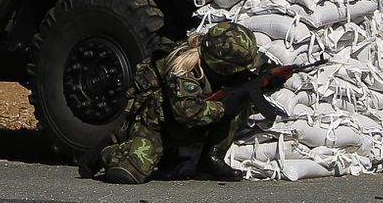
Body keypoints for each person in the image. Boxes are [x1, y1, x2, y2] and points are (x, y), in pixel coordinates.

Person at [80, 20, 268, 185]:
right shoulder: (183, 70)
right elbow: (188, 113)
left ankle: (211, 158)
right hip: (155, 125)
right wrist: (225, 107)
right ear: (220, 65)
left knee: (241, 94)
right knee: (130, 172)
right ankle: (108, 151)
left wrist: (264, 80)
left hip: (180, 126)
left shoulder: (213, 66)